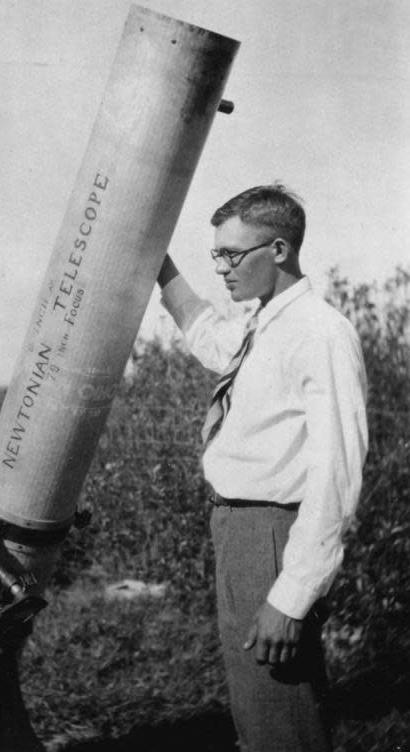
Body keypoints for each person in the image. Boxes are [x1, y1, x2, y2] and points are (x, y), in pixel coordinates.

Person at [157, 184, 368, 752]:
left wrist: (291, 595)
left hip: (272, 537)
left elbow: (336, 474)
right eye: (215, 255)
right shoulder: (266, 323)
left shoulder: (320, 333)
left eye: (232, 255)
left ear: (277, 250)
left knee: (282, 724)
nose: (221, 268)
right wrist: (161, 265)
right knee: (259, 716)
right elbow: (210, 337)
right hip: (238, 530)